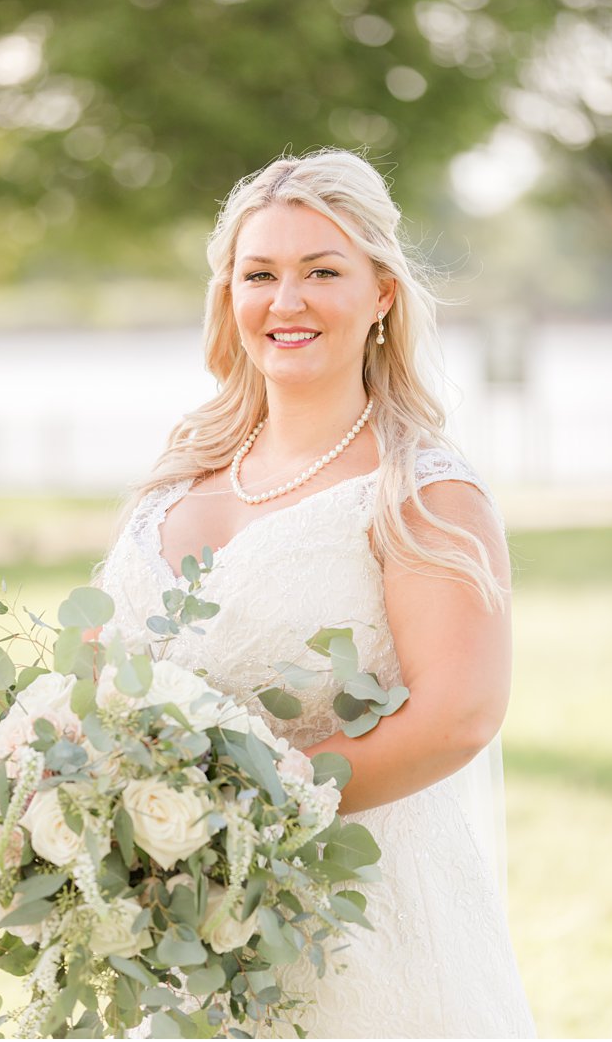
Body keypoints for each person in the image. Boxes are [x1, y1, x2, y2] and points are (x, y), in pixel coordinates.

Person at [96, 149, 536, 1037]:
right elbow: (101, 663)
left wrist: (242, 811)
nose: (285, 301)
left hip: (349, 926)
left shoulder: (420, 488)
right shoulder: (180, 471)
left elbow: (459, 715)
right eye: (259, 273)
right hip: (180, 934)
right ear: (230, 295)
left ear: (381, 293)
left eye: (320, 271)